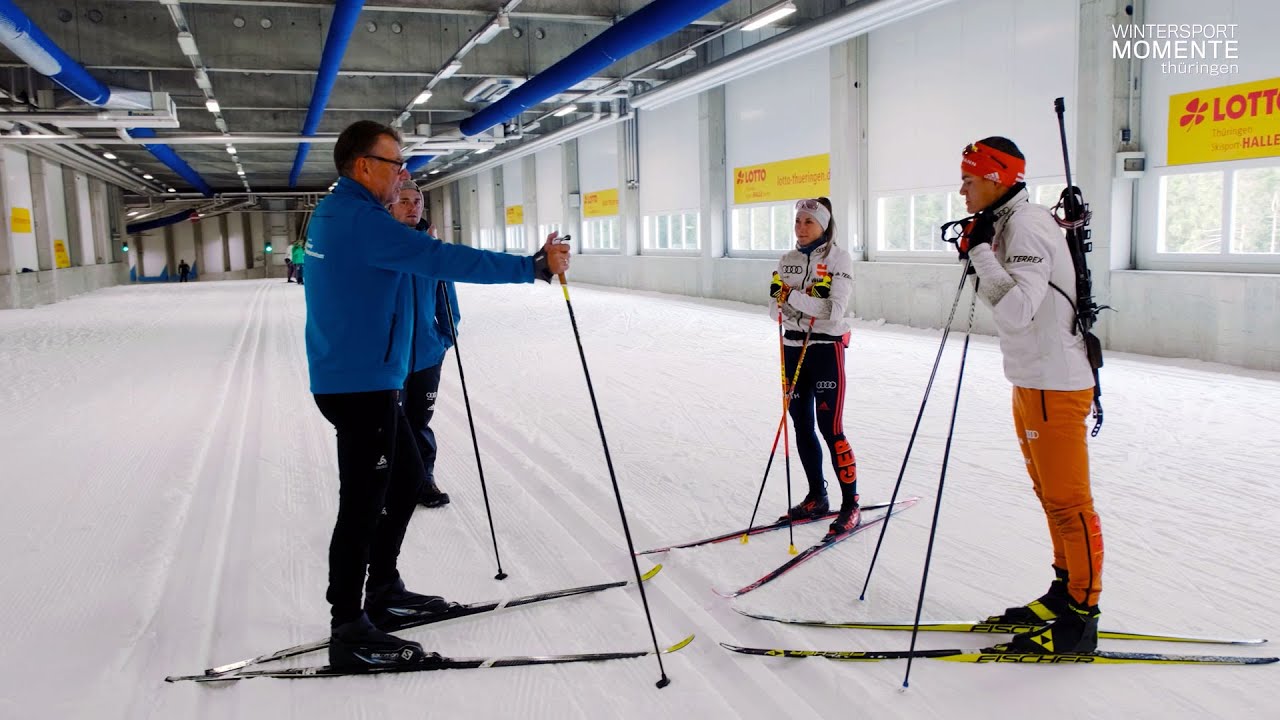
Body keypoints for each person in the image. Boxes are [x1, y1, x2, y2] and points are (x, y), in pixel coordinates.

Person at [304, 120, 569, 669]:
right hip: (360, 384)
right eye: (394, 162)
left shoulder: (346, 214)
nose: (402, 172)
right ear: (363, 166)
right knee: (361, 506)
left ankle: (383, 591)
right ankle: (348, 627)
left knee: (405, 480)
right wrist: (531, 267)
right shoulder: (358, 220)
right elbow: (441, 259)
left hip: (362, 377)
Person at [953, 137, 1102, 654]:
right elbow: (1003, 301)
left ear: (996, 177)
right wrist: (979, 253)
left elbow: (1017, 310)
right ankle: (1065, 593)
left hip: (1056, 384)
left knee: (1069, 501)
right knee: (1051, 497)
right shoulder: (1003, 224)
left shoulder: (1029, 225)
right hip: (1031, 380)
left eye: (969, 180)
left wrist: (977, 252)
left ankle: (1082, 616)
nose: (962, 189)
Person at [767, 197, 860, 540]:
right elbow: (772, 310)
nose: (801, 228)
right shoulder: (787, 260)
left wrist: (791, 298)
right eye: (797, 221)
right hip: (791, 349)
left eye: (809, 221)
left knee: (830, 428)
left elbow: (834, 311)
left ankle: (851, 505)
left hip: (825, 352)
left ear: (824, 225)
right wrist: (802, 304)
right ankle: (816, 497)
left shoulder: (839, 258)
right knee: (801, 425)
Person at [389, 179, 456, 508]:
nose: (413, 206)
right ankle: (391, 483)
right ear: (389, 205)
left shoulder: (433, 251)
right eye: (404, 200)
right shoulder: (381, 248)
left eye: (417, 201)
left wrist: (443, 339)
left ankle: (423, 478)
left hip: (427, 356)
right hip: (389, 359)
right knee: (389, 422)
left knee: (419, 421)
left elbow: (448, 304)